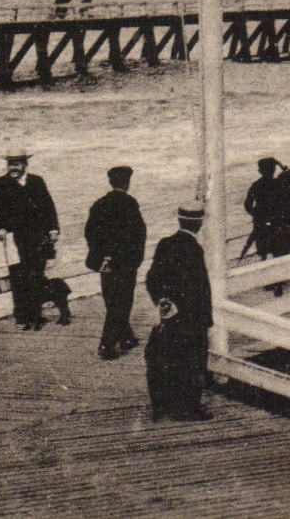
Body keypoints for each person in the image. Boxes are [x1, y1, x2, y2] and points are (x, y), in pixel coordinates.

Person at [145, 200, 213, 421]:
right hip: (192, 317)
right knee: (192, 362)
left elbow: (152, 277)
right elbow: (199, 288)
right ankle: (189, 408)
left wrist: (163, 301)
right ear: (199, 223)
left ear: (180, 219)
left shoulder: (165, 243)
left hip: (170, 314)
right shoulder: (195, 249)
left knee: (168, 359)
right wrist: (206, 319)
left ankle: (164, 405)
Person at [0, 147, 59, 330]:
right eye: (10, 164)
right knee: (18, 275)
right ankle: (22, 316)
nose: (13, 167)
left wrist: (53, 229)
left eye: (16, 163)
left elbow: (48, 206)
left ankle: (36, 314)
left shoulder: (36, 182)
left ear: (25, 164)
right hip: (13, 239)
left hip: (37, 236)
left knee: (37, 273)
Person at [84, 165, 146, 359]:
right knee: (123, 301)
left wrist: (101, 255)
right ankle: (107, 345)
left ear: (110, 182)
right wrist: (136, 259)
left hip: (106, 262)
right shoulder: (130, 203)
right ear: (127, 183)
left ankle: (126, 337)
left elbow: (89, 232)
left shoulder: (99, 204)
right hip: (125, 261)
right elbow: (139, 233)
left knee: (112, 300)